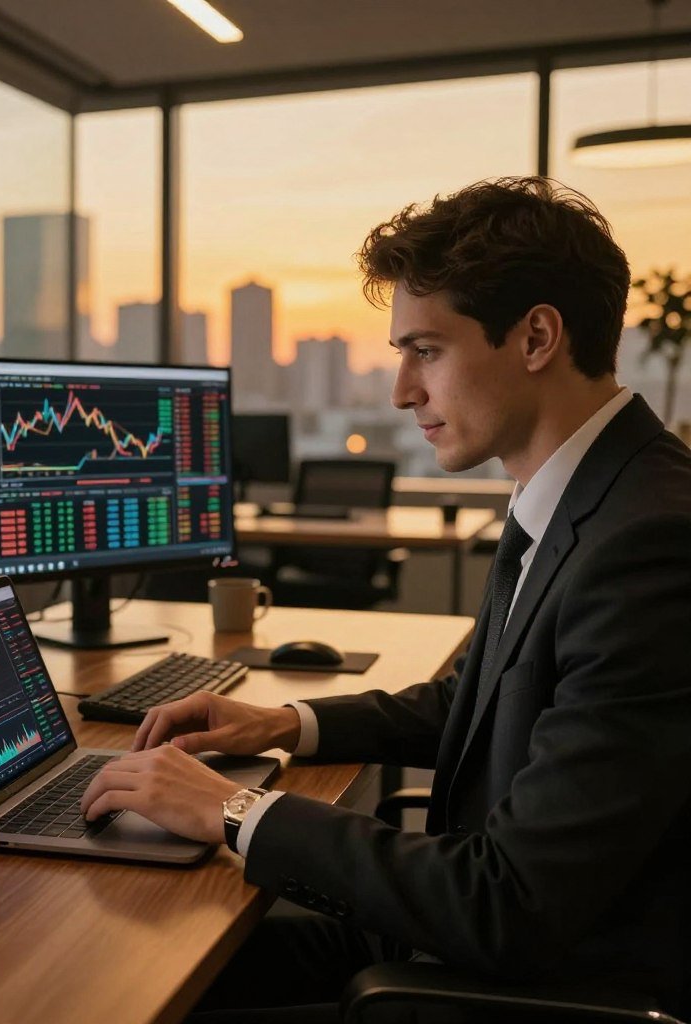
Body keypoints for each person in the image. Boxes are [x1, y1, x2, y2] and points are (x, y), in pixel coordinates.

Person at [80, 177, 691, 1020]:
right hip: (467, 940)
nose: (402, 390)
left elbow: (508, 904)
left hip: (538, 989)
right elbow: (480, 701)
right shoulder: (581, 496)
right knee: (130, 969)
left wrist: (235, 807)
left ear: (536, 337)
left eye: (426, 350)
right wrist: (283, 723)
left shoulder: (649, 543)